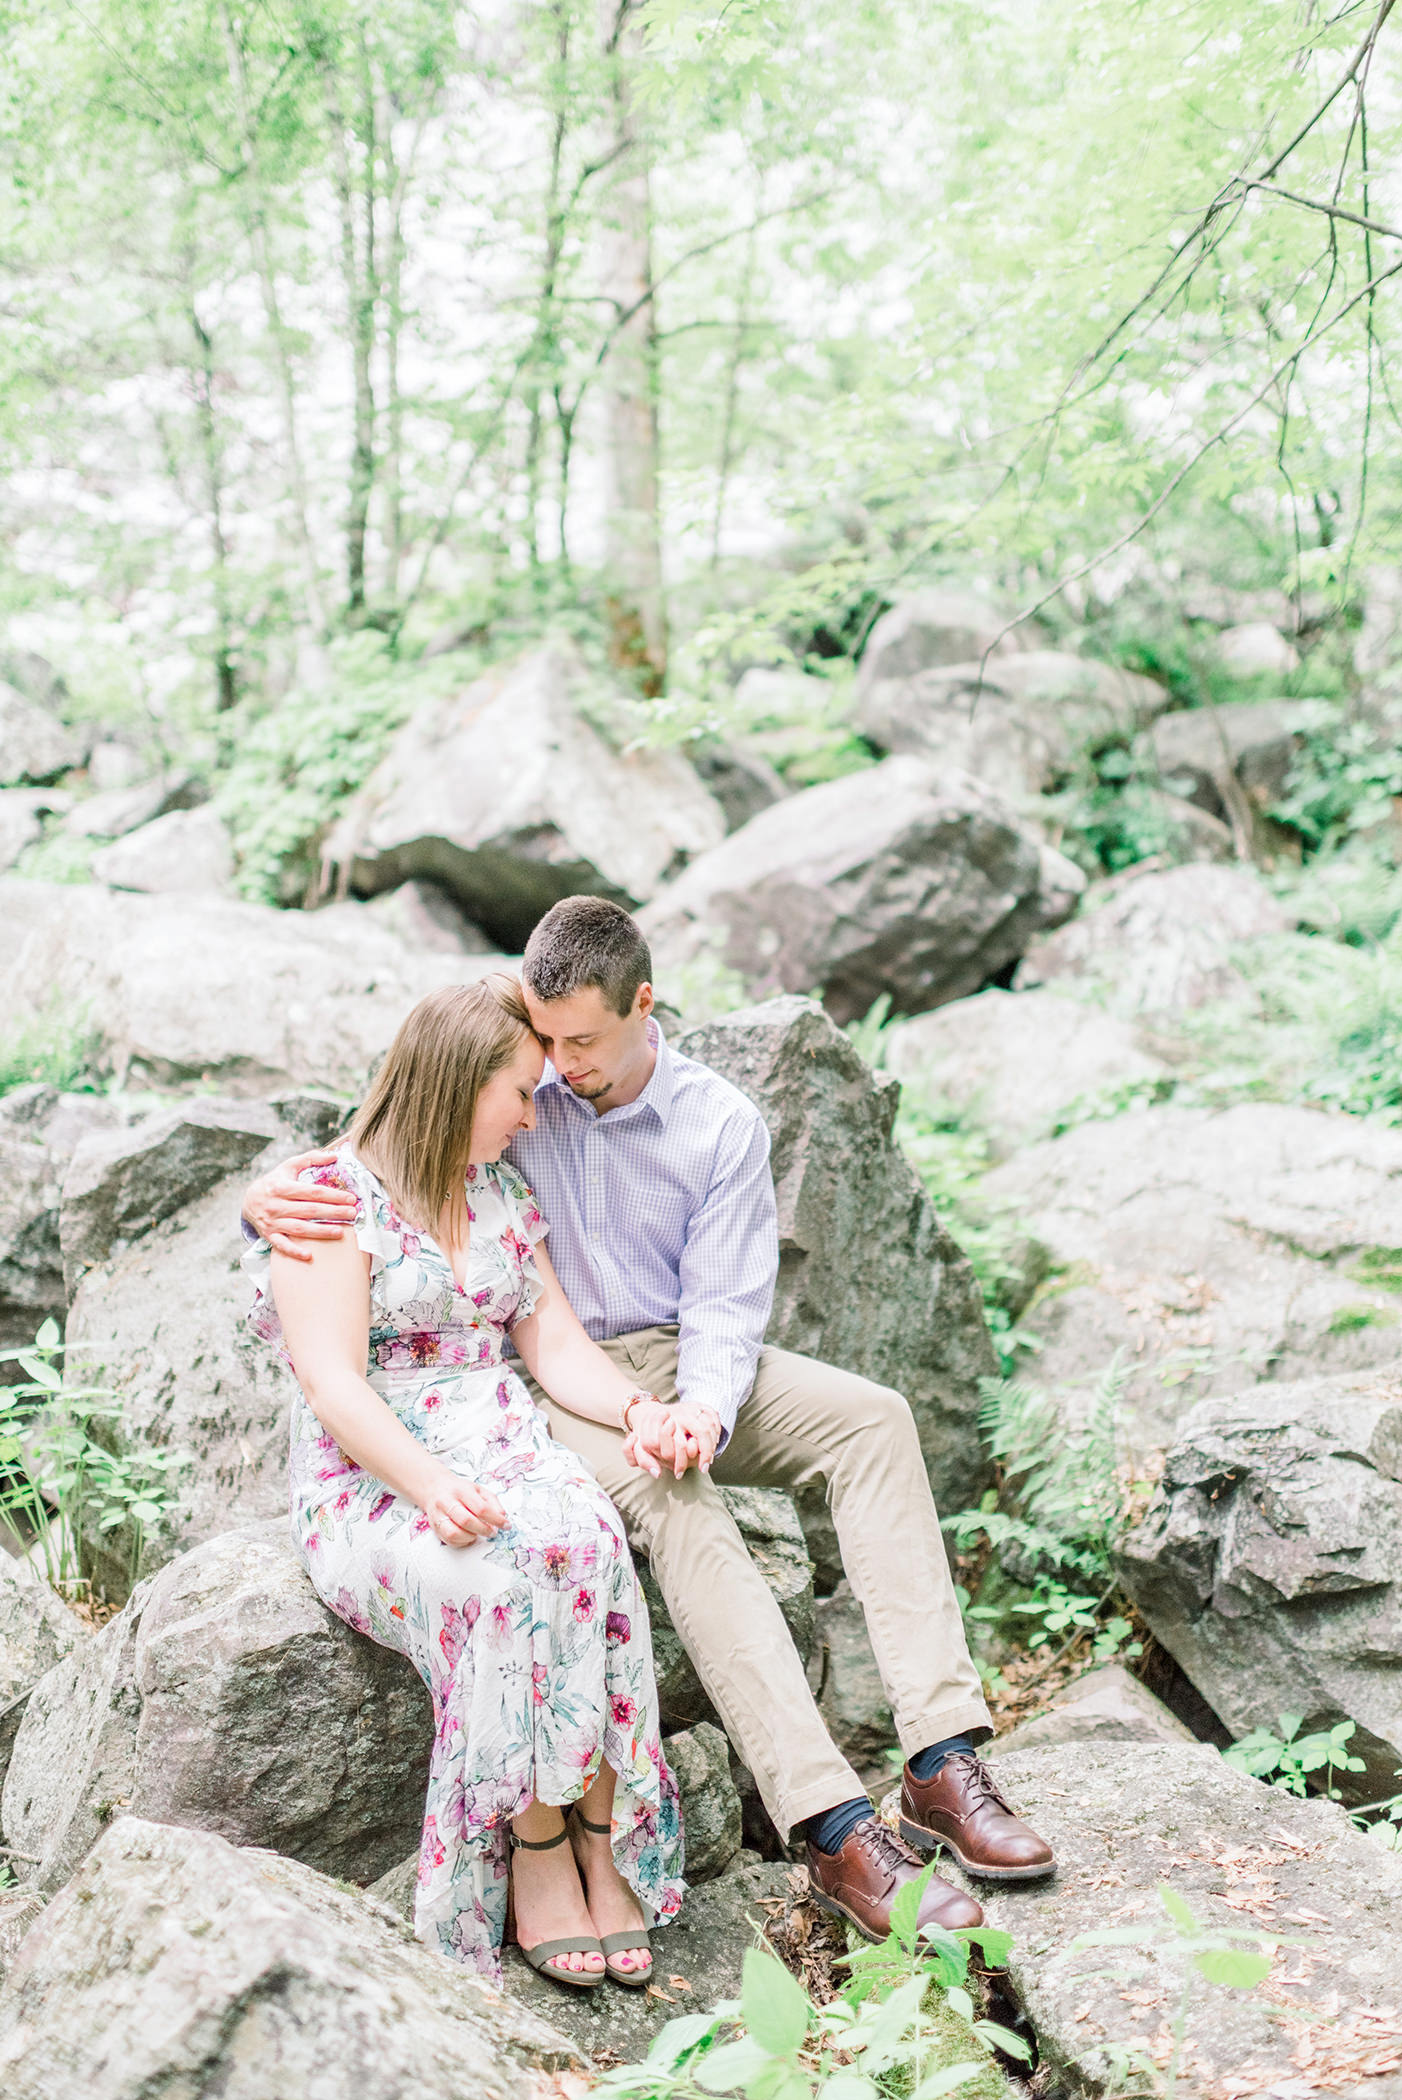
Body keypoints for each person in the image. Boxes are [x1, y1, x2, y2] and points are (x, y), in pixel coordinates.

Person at [243, 899, 1055, 1944]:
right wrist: (265, 1194)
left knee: (875, 1421)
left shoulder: (716, 1122)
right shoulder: (510, 1097)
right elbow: (400, 1133)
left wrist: (695, 1413)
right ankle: (829, 1823)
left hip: (672, 1364)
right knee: (678, 1504)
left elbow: (724, 1311)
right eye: (540, 1044)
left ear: (642, 1007)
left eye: (578, 1042)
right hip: (541, 1388)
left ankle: (942, 1760)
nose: (555, 1069)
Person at [243, 973, 682, 1988]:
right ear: (453, 1082)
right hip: (375, 1470)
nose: (535, 1115)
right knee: (497, 1579)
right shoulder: (329, 1199)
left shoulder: (500, 1189)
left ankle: (600, 1832)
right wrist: (430, 1482)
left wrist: (634, 1411)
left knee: (588, 1544)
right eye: (520, 1093)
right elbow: (333, 1384)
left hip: (504, 1437)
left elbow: (555, 1341)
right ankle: (531, 1845)